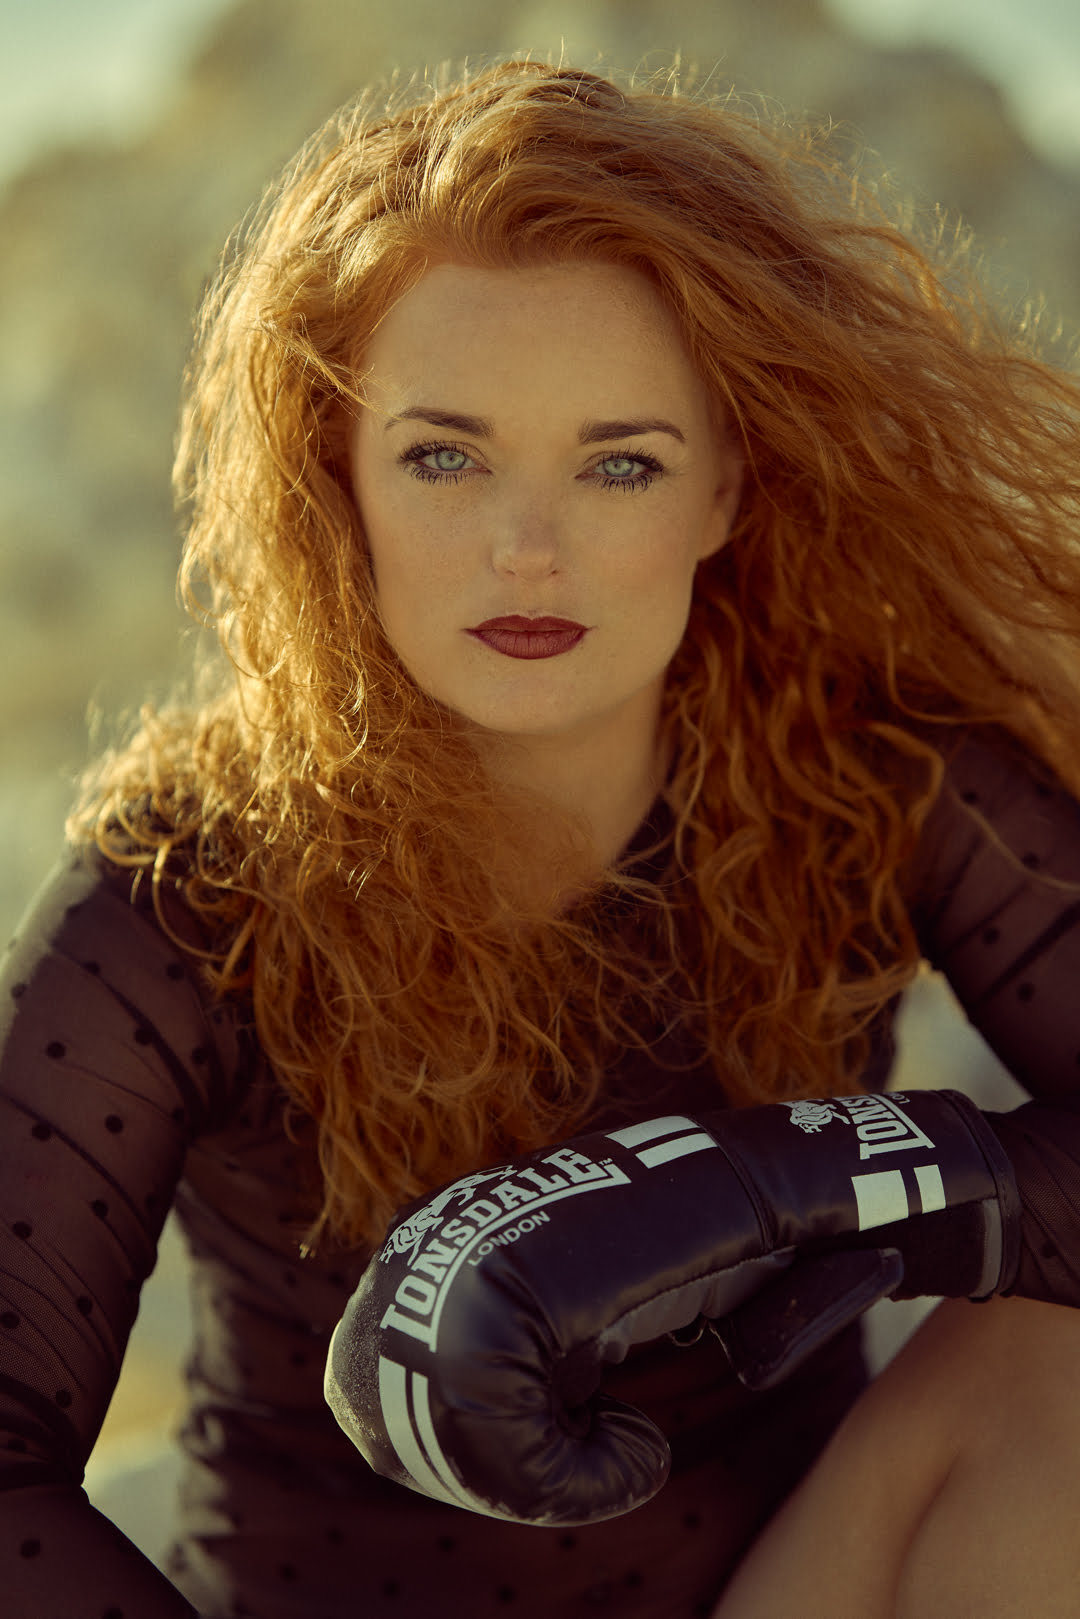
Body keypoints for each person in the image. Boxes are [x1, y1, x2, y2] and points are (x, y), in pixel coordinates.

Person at [3, 56, 1080, 1619]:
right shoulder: (189, 887)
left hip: (790, 1591)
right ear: (336, 485)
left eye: (618, 462)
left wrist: (783, 1182)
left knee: (1054, 1342)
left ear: (726, 486)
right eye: (444, 456)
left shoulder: (871, 772)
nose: (528, 544)